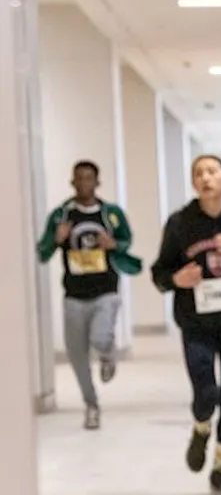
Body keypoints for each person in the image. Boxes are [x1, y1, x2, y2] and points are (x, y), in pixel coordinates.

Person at [150, 155, 221, 495]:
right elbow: (159, 273)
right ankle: (200, 427)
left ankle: (220, 469)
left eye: (213, 171)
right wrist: (177, 279)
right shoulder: (180, 223)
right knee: (206, 390)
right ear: (194, 182)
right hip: (196, 322)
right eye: (199, 173)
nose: (206, 178)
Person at [36, 160, 141, 430]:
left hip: (106, 289)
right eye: (79, 178)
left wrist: (113, 243)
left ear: (97, 182)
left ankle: (108, 354)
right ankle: (91, 404)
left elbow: (127, 239)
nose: (84, 183)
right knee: (77, 356)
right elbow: (42, 252)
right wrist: (56, 240)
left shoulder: (111, 214)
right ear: (72, 182)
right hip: (74, 294)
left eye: (89, 178)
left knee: (100, 336)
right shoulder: (61, 216)